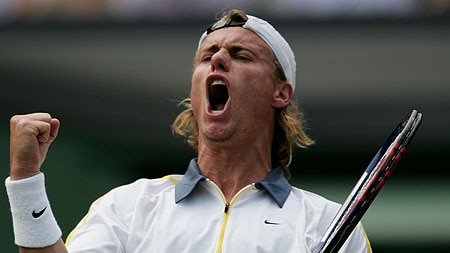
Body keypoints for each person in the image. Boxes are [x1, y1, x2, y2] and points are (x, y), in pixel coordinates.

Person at [6, 9, 372, 253]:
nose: (218, 58)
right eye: (207, 55)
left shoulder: (325, 223)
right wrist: (25, 181)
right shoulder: (128, 207)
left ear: (281, 92)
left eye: (242, 56)